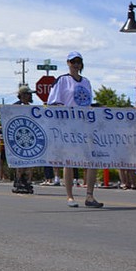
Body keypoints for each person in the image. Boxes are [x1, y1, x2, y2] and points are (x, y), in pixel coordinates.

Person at [46, 52, 102, 208]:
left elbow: (88, 102)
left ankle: (90, 195)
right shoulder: (62, 81)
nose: (76, 64)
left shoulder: (86, 82)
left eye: (78, 61)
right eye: (73, 61)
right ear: (68, 63)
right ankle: (70, 196)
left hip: (85, 124)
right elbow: (53, 102)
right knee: (69, 161)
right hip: (68, 125)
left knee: (92, 159)